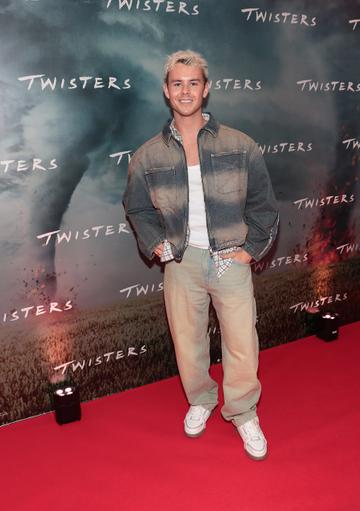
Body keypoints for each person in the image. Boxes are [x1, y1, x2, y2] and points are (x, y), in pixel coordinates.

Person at [124, 50, 279, 461]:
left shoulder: (239, 145)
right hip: (181, 262)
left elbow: (265, 206)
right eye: (178, 83)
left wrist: (250, 251)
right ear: (166, 90)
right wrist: (157, 243)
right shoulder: (147, 156)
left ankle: (243, 411)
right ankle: (201, 398)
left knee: (242, 342)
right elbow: (137, 208)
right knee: (188, 341)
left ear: (206, 89)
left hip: (230, 260)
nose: (186, 91)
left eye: (194, 83)